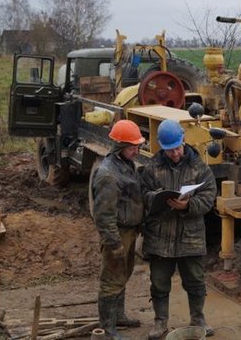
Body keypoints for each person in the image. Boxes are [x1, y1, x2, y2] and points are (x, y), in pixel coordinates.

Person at [141, 119, 217, 339]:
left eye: (177, 148)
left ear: (183, 140)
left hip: (190, 236)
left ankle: (198, 319)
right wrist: (155, 198)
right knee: (159, 282)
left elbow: (208, 197)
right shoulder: (152, 168)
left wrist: (188, 206)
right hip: (160, 236)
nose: (174, 153)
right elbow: (143, 194)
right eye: (169, 150)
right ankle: (160, 322)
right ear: (161, 147)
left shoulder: (199, 167)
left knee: (195, 280)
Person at [91, 119, 145, 340]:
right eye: (133, 147)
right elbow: (103, 216)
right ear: (120, 146)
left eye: (137, 146)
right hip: (118, 233)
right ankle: (108, 328)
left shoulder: (126, 164)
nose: (137, 150)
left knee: (124, 274)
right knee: (112, 279)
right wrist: (113, 244)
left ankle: (119, 316)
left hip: (129, 231)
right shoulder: (108, 175)